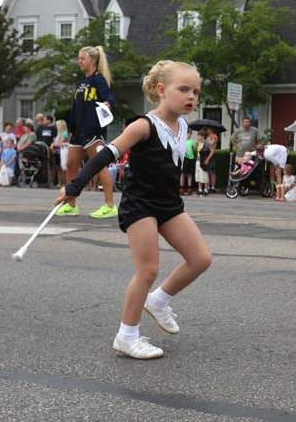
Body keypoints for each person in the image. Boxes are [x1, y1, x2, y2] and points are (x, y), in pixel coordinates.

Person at [54, 60, 212, 359]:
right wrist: (75, 186)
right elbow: (104, 156)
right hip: (140, 205)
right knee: (148, 270)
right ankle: (127, 336)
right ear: (162, 90)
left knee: (200, 258)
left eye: (196, 91)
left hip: (169, 205)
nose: (192, 96)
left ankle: (159, 301)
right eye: (184, 89)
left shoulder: (182, 127)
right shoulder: (142, 125)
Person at [57, 46, 118, 218]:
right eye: (79, 58)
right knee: (70, 166)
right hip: (78, 132)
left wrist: (108, 104)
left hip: (93, 131)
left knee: (99, 166)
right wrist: (71, 128)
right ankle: (71, 205)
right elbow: (76, 107)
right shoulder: (81, 82)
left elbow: (110, 97)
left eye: (82, 58)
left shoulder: (98, 80)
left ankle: (110, 205)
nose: (79, 61)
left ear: (92, 60)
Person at [52, 120, 69, 186]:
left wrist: (54, 144)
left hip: (62, 151)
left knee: (63, 167)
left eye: (57, 125)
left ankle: (64, 182)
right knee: (58, 168)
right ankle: (60, 182)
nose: (56, 126)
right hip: (57, 151)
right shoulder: (59, 133)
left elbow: (62, 142)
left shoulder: (64, 133)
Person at [180, 129, 195, 195]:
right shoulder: (182, 141)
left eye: (189, 134)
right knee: (182, 173)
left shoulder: (192, 141)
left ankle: (189, 187)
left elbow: (193, 150)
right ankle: (181, 187)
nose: (188, 135)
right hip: (184, 159)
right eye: (187, 133)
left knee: (190, 174)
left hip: (190, 159)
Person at [194, 131, 209, 196]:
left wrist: (207, 159)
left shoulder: (206, 143)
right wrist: (196, 145)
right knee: (198, 175)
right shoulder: (198, 143)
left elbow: (211, 151)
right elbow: (195, 151)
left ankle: (205, 189)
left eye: (199, 136)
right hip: (198, 160)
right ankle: (200, 189)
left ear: (203, 136)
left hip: (203, 161)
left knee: (204, 175)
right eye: (198, 136)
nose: (198, 137)